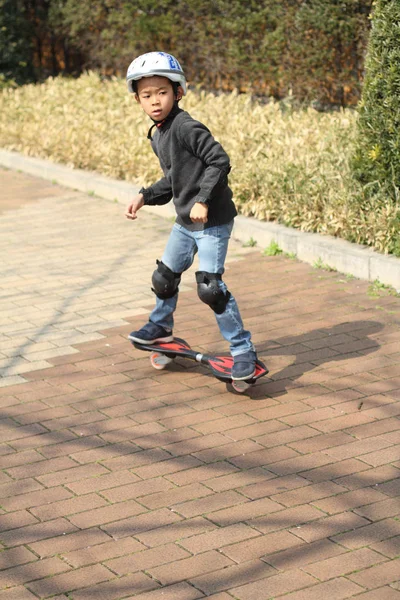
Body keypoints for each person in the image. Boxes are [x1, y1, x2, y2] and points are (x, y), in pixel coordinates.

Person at [125, 51, 257, 380]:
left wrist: (203, 199)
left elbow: (219, 161)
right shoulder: (159, 133)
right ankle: (161, 328)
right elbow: (174, 179)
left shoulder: (185, 127)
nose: (154, 101)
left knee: (211, 288)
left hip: (211, 220)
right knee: (164, 277)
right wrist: (145, 195)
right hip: (186, 222)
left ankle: (243, 351)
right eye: (146, 95)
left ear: (178, 92)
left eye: (162, 92)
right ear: (138, 100)